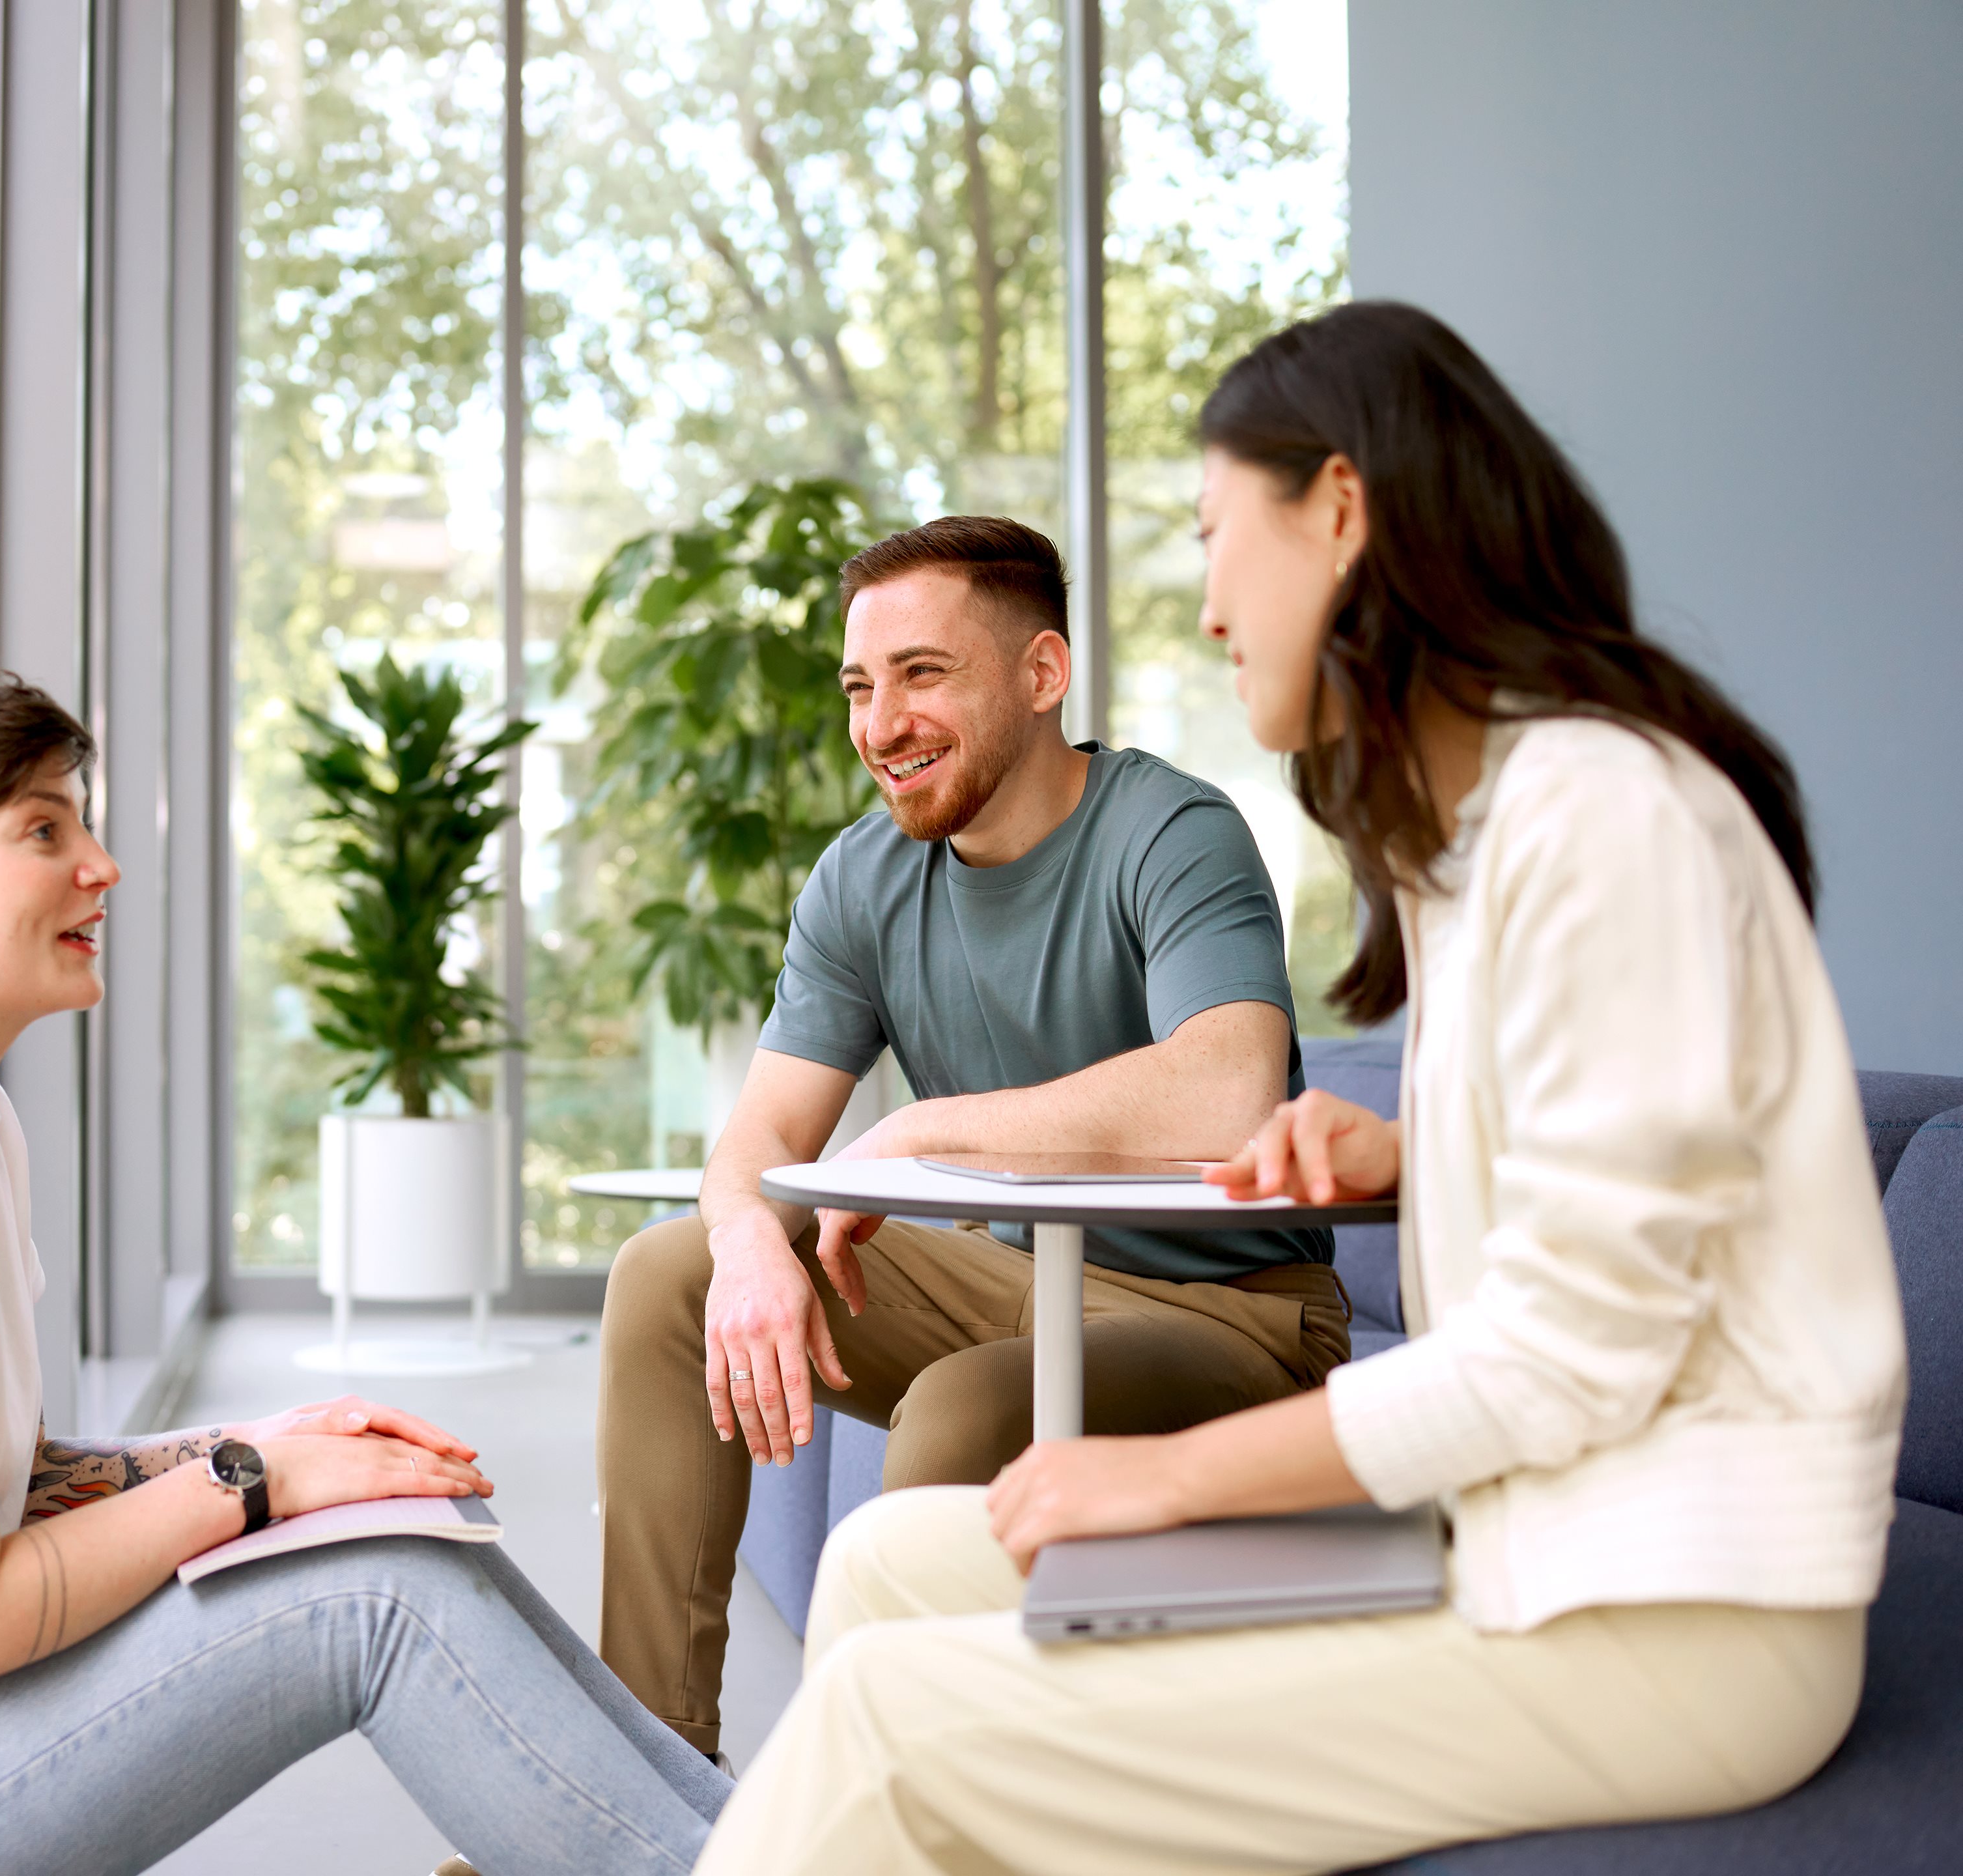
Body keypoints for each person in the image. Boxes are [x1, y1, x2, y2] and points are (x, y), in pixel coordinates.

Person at [695, 301, 1906, 1875]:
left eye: (1216, 539)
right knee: (897, 1568)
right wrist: (1409, 1147)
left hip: (1673, 1602)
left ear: (1341, 511)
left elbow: (1564, 1359)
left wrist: (1168, 1477)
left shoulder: (1605, 820)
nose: (1206, 610)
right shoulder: (1485, 839)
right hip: (1526, 1528)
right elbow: (1637, 1184)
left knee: (891, 1719)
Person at [0, 674, 729, 1876]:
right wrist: (252, 1475)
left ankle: (760, 1842)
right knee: (374, 1597)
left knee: (402, 1512)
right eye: (44, 831)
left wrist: (284, 1445)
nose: (101, 866)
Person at [599, 513, 1348, 1758]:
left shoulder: (1172, 833)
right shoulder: (862, 881)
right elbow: (755, 1149)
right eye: (860, 686)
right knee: (669, 1273)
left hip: (1237, 1317)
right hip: (1010, 1279)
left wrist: (921, 1133)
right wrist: (743, 1248)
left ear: (1043, 675)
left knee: (966, 1406)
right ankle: (637, 1790)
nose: (880, 724)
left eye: (923, 675)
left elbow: (1229, 1090)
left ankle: (876, 1817)